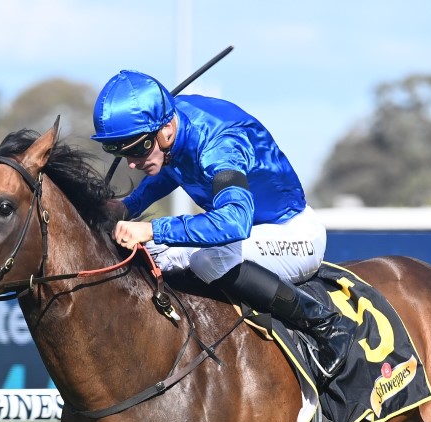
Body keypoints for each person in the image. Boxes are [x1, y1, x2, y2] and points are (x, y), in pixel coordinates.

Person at [91, 69, 349, 386]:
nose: (131, 162)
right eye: (120, 151)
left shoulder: (220, 146)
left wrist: (153, 228)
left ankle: (326, 326)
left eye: (138, 149)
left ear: (166, 129)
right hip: (243, 237)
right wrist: (127, 206)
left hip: (292, 234)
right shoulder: (171, 131)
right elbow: (173, 171)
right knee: (148, 255)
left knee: (206, 259)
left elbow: (235, 221)